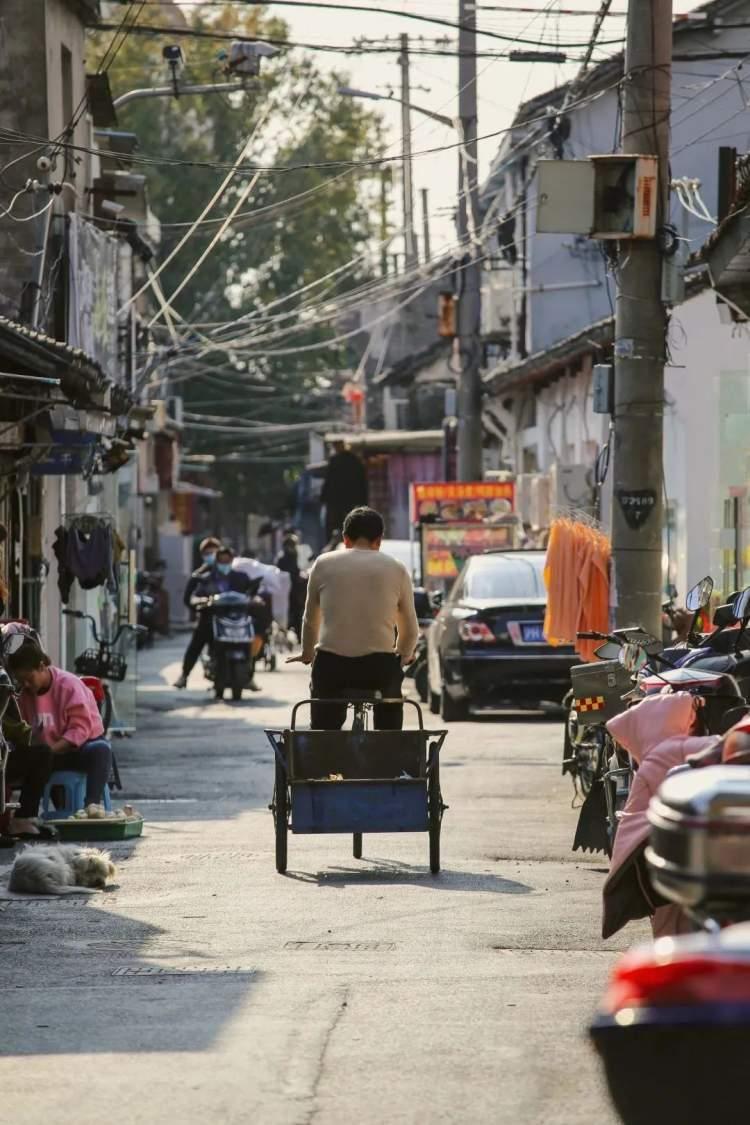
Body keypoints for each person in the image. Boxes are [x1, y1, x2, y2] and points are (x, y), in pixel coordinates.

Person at [289, 506, 419, 731]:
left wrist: (308, 653)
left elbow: (310, 619)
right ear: (379, 540)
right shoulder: (396, 569)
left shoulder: (323, 563)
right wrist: (404, 654)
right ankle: (390, 754)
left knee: (324, 729)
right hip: (379, 668)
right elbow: (409, 628)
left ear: (345, 539)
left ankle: (326, 753)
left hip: (332, 666)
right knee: (390, 724)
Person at [6, 640, 112, 821]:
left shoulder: (69, 686)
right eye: (21, 680)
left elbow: (80, 729)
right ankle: (26, 818)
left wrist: (49, 751)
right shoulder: (24, 695)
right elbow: (23, 732)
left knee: (101, 749)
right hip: (47, 755)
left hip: (79, 749)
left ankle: (91, 805)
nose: (27, 685)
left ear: (41, 666)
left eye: (29, 679)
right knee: (33, 759)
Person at [177, 545, 263, 690]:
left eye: (227, 560)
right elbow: (195, 596)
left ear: (232, 560)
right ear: (217, 561)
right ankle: (184, 675)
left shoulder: (241, 577)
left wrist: (256, 600)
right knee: (197, 641)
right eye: (221, 560)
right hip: (213, 619)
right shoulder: (207, 578)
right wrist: (200, 602)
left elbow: (252, 593)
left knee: (253, 639)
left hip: (237, 620)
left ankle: (249, 677)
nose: (224, 563)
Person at [321, 441, 368, 540]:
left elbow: (328, 483)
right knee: (350, 527)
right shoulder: (356, 461)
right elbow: (363, 485)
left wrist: (324, 498)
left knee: (334, 529)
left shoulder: (335, 461)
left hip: (335, 503)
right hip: (352, 503)